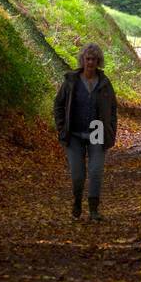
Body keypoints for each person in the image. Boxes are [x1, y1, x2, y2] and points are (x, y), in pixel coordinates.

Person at [52, 43, 118, 222]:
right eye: (87, 59)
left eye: (94, 59)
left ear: (98, 62)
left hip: (97, 130)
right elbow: (58, 104)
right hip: (74, 133)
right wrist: (61, 126)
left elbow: (112, 108)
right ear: (82, 60)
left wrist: (111, 130)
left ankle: (94, 209)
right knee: (78, 174)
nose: (90, 62)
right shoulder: (71, 81)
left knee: (96, 171)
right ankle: (77, 201)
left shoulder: (104, 83)